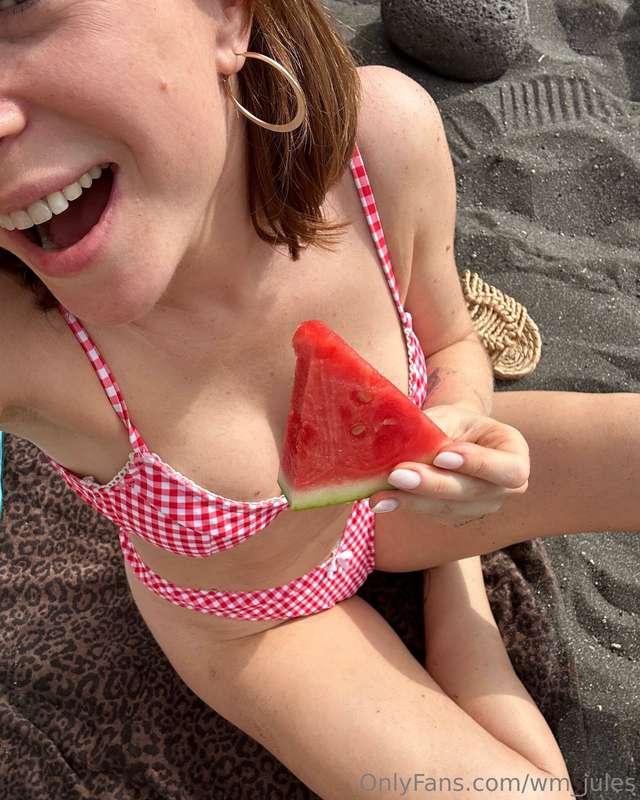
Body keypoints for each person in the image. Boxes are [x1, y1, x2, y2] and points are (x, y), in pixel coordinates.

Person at [0, 2, 637, 798]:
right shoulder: (24, 346)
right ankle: (460, 575)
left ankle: (453, 550)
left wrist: (453, 419)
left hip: (405, 500)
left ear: (228, 15)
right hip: (255, 622)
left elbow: (451, 349)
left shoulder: (381, 141)